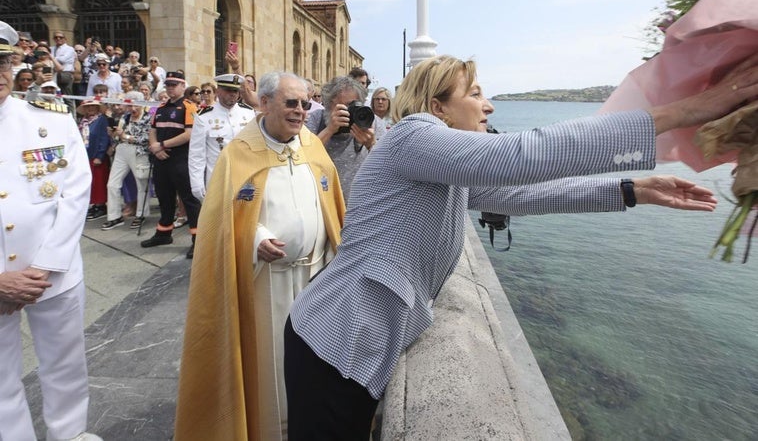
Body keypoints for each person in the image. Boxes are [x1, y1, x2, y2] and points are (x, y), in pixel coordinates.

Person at [284, 54, 758, 440]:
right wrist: (687, 111)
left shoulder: (439, 163)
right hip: (335, 344)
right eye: (475, 94)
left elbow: (524, 195)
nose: (487, 106)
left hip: (354, 343)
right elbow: (523, 154)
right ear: (438, 106)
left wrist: (631, 188)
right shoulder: (414, 137)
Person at [174, 71, 346, 441]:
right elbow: (222, 217)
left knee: (314, 368)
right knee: (274, 367)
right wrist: (256, 239)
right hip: (267, 283)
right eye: (290, 103)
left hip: (317, 277)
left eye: (304, 103)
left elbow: (331, 207)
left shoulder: (313, 146)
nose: (300, 111)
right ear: (264, 103)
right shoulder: (239, 152)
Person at [0, 22, 102, 441]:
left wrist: (46, 266)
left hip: (53, 274)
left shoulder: (50, 122)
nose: (0, 73)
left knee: (64, 365)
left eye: (3, 61)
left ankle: (70, 434)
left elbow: (75, 195)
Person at [140, 71, 202, 259]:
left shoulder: (189, 107)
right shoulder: (160, 108)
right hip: (161, 158)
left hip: (180, 159)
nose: (170, 88)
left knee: (189, 200)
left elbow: (189, 134)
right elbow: (152, 130)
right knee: (164, 197)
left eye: (174, 85)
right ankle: (164, 233)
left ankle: (197, 240)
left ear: (183, 86)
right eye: (168, 84)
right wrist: (155, 147)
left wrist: (163, 145)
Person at [305, 75, 386, 202]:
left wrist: (371, 145)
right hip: (324, 205)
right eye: (344, 107)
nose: (350, 112)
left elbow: (388, 165)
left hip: (360, 205)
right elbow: (303, 156)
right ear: (328, 105)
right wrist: (329, 129)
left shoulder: (371, 121)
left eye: (354, 105)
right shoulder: (316, 119)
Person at [188, 73, 255, 201]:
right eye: (228, 90)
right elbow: (197, 153)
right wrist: (196, 184)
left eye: (235, 90)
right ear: (218, 91)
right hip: (217, 179)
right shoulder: (204, 116)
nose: (233, 94)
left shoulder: (248, 113)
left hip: (246, 177)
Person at [101, 91, 152, 230]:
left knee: (141, 184)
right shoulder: (125, 117)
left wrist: (126, 137)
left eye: (136, 106)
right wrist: (114, 135)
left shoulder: (148, 118)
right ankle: (114, 216)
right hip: (122, 150)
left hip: (138, 152)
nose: (133, 109)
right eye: (130, 106)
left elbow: (146, 139)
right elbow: (118, 137)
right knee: (112, 184)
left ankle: (141, 214)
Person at [78, 99, 111, 221]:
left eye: (93, 106)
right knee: (90, 181)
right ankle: (94, 204)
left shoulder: (101, 119)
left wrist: (100, 155)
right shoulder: (83, 121)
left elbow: (104, 138)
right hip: (86, 155)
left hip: (97, 156)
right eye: (87, 107)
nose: (90, 109)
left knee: (99, 181)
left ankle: (101, 205)